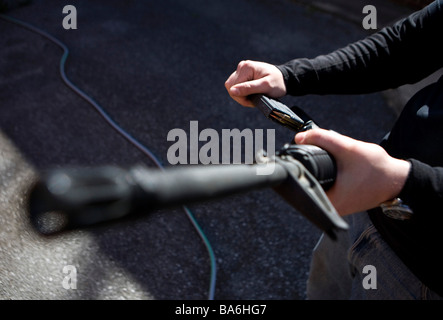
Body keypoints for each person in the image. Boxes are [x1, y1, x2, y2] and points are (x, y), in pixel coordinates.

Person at [225, 0, 443, 299]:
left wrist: (403, 180)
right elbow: (404, 46)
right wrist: (290, 76)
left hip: (422, 272)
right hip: (364, 208)